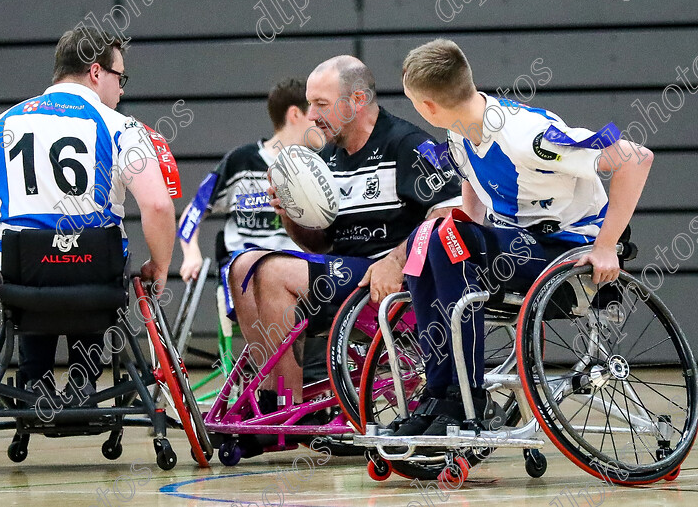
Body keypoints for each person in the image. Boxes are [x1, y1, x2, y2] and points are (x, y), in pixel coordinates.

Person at [393, 38, 653, 437]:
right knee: (425, 238)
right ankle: (440, 392)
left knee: (444, 238)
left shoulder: (528, 136)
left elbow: (636, 157)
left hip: (570, 251)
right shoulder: (460, 132)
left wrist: (606, 245)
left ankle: (469, 396)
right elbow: (473, 201)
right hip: (522, 247)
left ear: (426, 106)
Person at [0, 26, 176, 404]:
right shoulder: (122, 127)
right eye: (121, 77)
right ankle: (84, 380)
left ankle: (34, 381)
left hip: (22, 276)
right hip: (95, 274)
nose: (122, 89)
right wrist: (161, 266)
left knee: (32, 265)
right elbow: (159, 204)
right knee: (98, 253)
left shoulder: (0, 125)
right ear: (97, 72)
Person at [232, 55, 461, 408]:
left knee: (273, 273)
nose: (310, 115)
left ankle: (283, 406)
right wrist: (290, 214)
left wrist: (395, 261)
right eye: (309, 104)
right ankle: (273, 398)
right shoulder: (331, 159)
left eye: (320, 103)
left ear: (356, 101)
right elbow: (320, 243)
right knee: (243, 266)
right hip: (345, 274)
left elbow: (452, 214)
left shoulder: (407, 145)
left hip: (394, 283)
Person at [178, 78, 312, 284]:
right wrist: (191, 253)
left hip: (298, 277)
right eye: (314, 112)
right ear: (295, 114)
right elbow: (194, 211)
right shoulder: (239, 162)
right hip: (243, 280)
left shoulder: (320, 168)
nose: (322, 120)